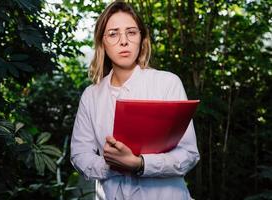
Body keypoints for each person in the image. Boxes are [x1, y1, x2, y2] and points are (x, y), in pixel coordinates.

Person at [70, 1, 200, 199]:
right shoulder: (91, 95)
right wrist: (113, 166)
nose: (123, 41)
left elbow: (189, 154)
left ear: (142, 38)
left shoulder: (167, 83)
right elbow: (79, 155)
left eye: (131, 32)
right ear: (102, 41)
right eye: (113, 34)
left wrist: (140, 164)